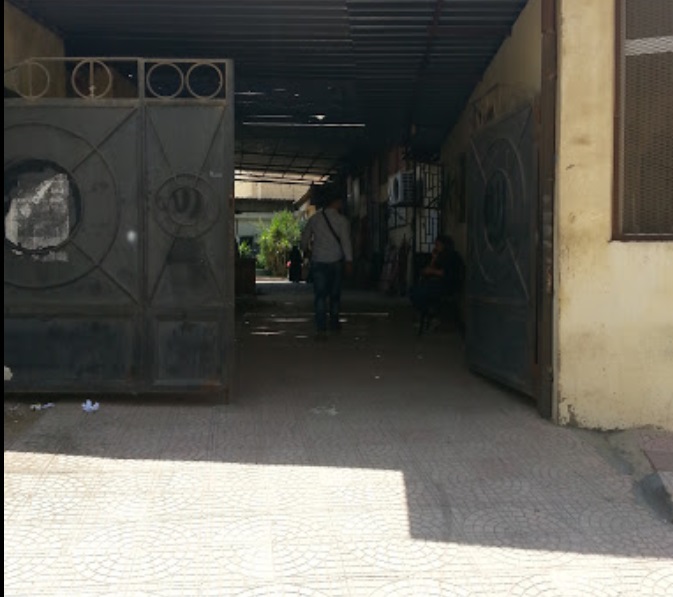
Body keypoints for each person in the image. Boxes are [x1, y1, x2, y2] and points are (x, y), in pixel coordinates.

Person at [301, 194, 353, 339]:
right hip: (336, 262)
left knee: (320, 296)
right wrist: (349, 261)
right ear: (336, 202)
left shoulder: (315, 219)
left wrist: (306, 251)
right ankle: (334, 322)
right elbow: (346, 242)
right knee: (335, 295)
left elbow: (304, 239)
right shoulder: (342, 221)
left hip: (318, 261)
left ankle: (321, 327)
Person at [409, 234, 465, 335]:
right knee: (414, 291)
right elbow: (430, 270)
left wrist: (432, 271)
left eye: (438, 244)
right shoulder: (440, 256)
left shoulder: (453, 256)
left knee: (419, 292)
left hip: (447, 286)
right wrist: (433, 259)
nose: (436, 247)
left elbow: (449, 273)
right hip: (436, 284)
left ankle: (431, 317)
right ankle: (429, 316)